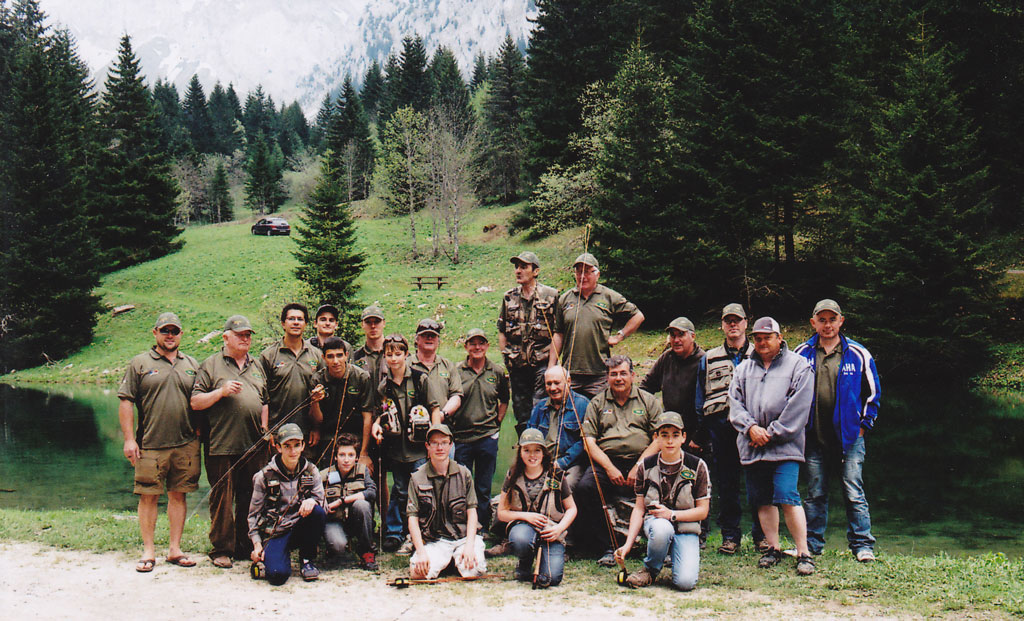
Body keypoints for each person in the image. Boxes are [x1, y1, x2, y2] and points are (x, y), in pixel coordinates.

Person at [794, 299, 880, 562]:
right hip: (813, 437)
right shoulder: (801, 353)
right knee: (815, 492)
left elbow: (873, 394)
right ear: (813, 323)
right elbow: (789, 391)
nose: (827, 325)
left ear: (841, 321)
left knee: (853, 490)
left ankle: (862, 545)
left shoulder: (857, 353)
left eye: (832, 319)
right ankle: (812, 545)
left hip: (849, 439)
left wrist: (864, 426)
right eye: (822, 320)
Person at [728, 317, 815, 576]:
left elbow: (799, 408)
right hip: (752, 445)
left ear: (780, 338)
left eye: (767, 337)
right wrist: (751, 428)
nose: (762, 342)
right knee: (762, 500)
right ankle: (773, 549)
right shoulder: (743, 368)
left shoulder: (799, 366)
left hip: (785, 446)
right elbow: (734, 402)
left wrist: (771, 433)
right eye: (757, 337)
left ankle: (804, 553)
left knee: (788, 496)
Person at [117, 312, 201, 572]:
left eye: (174, 331)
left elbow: (199, 401)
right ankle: (149, 550)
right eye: (165, 331)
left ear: (181, 335)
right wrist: (130, 439)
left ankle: (175, 549)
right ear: (155, 333)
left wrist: (199, 432)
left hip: (185, 444)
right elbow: (125, 401)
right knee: (148, 496)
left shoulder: (192, 364)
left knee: (178, 495)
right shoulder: (140, 363)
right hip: (150, 445)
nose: (170, 335)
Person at [191, 314, 269, 569]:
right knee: (223, 499)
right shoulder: (211, 365)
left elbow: (264, 400)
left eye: (248, 335)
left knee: (251, 496)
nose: (245, 339)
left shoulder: (256, 365)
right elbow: (196, 401)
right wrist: (221, 392)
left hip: (253, 444)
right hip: (221, 444)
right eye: (240, 335)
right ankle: (221, 549)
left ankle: (246, 545)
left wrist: (265, 427)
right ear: (226, 337)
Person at [574, 355, 663, 566]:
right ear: (607, 377)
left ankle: (661, 545)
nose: (619, 378)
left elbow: (659, 438)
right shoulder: (597, 403)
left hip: (643, 461)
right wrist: (610, 468)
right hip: (607, 461)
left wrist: (639, 466)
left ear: (632, 375)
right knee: (585, 488)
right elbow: (589, 442)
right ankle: (606, 546)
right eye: (614, 374)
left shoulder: (648, 400)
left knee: (662, 487)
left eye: (623, 373)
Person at [695, 303, 765, 554]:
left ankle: (762, 535)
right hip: (720, 429)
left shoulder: (760, 354)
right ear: (722, 325)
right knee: (726, 484)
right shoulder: (708, 357)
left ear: (746, 323)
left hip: (752, 430)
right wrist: (702, 431)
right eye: (728, 321)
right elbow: (699, 397)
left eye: (738, 320)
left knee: (757, 482)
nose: (733, 325)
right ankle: (730, 536)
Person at [615, 411, 710, 591]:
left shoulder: (697, 466)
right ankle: (650, 570)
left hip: (686, 527)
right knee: (662, 528)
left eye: (675, 435)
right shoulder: (645, 466)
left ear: (683, 437)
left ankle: (677, 554)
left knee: (685, 583)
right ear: (656, 437)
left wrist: (672, 514)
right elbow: (639, 509)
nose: (669, 441)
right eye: (664, 435)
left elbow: (703, 511)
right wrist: (627, 545)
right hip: (657, 526)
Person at [371, 333, 444, 553]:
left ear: (406, 354)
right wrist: (376, 425)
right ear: (384, 357)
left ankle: (424, 531)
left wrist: (435, 442)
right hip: (396, 449)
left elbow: (434, 409)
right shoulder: (384, 386)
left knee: (423, 490)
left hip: (419, 449)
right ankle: (394, 531)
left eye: (398, 353)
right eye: (389, 354)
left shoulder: (420, 379)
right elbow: (381, 414)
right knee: (400, 490)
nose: (394, 359)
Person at [640, 316, 708, 545]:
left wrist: (700, 436)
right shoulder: (666, 358)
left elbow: (712, 401)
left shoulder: (704, 361)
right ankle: (665, 526)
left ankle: (700, 532)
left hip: (697, 433)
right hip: (670, 432)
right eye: (673, 335)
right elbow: (646, 387)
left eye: (681, 335)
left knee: (696, 484)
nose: (676, 340)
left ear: (693, 336)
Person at [550, 253, 644, 399]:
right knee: (570, 417)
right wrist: (552, 366)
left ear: (597, 274)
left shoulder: (609, 296)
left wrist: (620, 336)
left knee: (599, 417)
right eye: (579, 271)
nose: (583, 276)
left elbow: (638, 316)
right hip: (570, 374)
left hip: (599, 374)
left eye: (587, 271)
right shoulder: (565, 299)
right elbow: (558, 334)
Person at [496, 428, 578, 588]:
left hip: (551, 531)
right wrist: (526, 517)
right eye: (526, 450)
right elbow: (502, 513)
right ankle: (525, 562)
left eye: (537, 451)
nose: (532, 455)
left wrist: (559, 529)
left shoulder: (556, 474)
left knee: (551, 579)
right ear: (520, 452)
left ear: (544, 452)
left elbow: (572, 509)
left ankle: (543, 562)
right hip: (523, 527)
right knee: (521, 540)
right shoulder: (512, 474)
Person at [247, 423, 326, 585]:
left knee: (317, 512)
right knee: (277, 576)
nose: (293, 451)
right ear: (278, 447)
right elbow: (253, 515)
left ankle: (307, 560)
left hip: (300, 527)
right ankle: (278, 556)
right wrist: (256, 544)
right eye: (287, 446)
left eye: (297, 445)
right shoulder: (263, 476)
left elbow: (323, 503)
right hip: (276, 532)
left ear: (303, 446)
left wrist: (312, 501)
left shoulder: (311, 470)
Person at [407, 423, 487, 580]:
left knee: (474, 571)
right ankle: (448, 561)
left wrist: (470, 546)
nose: (439, 448)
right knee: (417, 573)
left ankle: (457, 559)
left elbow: (472, 513)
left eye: (444, 443)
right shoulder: (416, 478)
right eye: (435, 443)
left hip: (463, 538)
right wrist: (421, 552)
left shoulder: (464, 474)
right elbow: (412, 518)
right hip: (436, 541)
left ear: (451, 446)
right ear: (427, 447)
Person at [451, 329, 510, 532]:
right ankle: (462, 525)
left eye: (481, 343)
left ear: (487, 346)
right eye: (472, 343)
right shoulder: (457, 371)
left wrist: (498, 422)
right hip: (462, 437)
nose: (477, 347)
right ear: (466, 346)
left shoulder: (497, 372)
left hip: (487, 437)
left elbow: (504, 399)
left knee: (483, 487)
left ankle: (483, 527)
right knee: (461, 486)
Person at [497, 251, 559, 435]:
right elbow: (502, 330)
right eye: (516, 267)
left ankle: (543, 449)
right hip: (517, 365)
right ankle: (524, 448)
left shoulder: (551, 296)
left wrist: (551, 366)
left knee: (540, 407)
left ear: (536, 271)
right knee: (521, 411)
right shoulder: (508, 297)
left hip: (542, 363)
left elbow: (558, 332)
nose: (518, 271)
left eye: (524, 267)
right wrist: (506, 358)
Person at [308, 336, 373, 470]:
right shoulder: (317, 380)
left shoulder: (361, 377)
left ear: (346, 355)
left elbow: (367, 416)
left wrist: (364, 453)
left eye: (339, 355)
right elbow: (318, 421)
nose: (336, 361)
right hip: (329, 437)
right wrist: (314, 401)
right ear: (324, 358)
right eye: (330, 356)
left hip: (357, 436)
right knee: (330, 480)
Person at [259, 303, 323, 434]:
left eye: (300, 319)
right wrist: (267, 431)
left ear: (305, 324)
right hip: (277, 432)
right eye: (291, 319)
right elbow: (261, 396)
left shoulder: (316, 355)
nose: (296, 323)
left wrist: (317, 429)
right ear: (283, 324)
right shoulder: (268, 355)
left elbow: (322, 395)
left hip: (307, 432)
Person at [321, 432, 378, 570]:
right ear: (335, 456)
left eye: (351, 455)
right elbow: (315, 498)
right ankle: (333, 547)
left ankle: (366, 551)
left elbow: (371, 492)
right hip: (335, 520)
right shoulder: (324, 475)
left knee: (362, 505)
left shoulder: (362, 471)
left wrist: (343, 501)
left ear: (357, 457)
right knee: (337, 546)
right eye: (342, 455)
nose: (346, 460)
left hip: (355, 520)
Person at [527, 365, 589, 491]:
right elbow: (529, 436)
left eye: (557, 383)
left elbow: (584, 442)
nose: (553, 388)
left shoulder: (583, 405)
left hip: (571, 464)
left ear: (569, 381)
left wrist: (561, 463)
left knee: (564, 488)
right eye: (549, 384)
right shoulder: (539, 407)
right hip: (541, 463)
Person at [410, 318, 463, 424]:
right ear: (417, 339)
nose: (429, 338)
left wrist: (442, 414)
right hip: (411, 427)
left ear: (438, 340)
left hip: (442, 427)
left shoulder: (448, 366)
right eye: (425, 335)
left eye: (433, 335)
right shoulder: (406, 365)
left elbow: (456, 395)